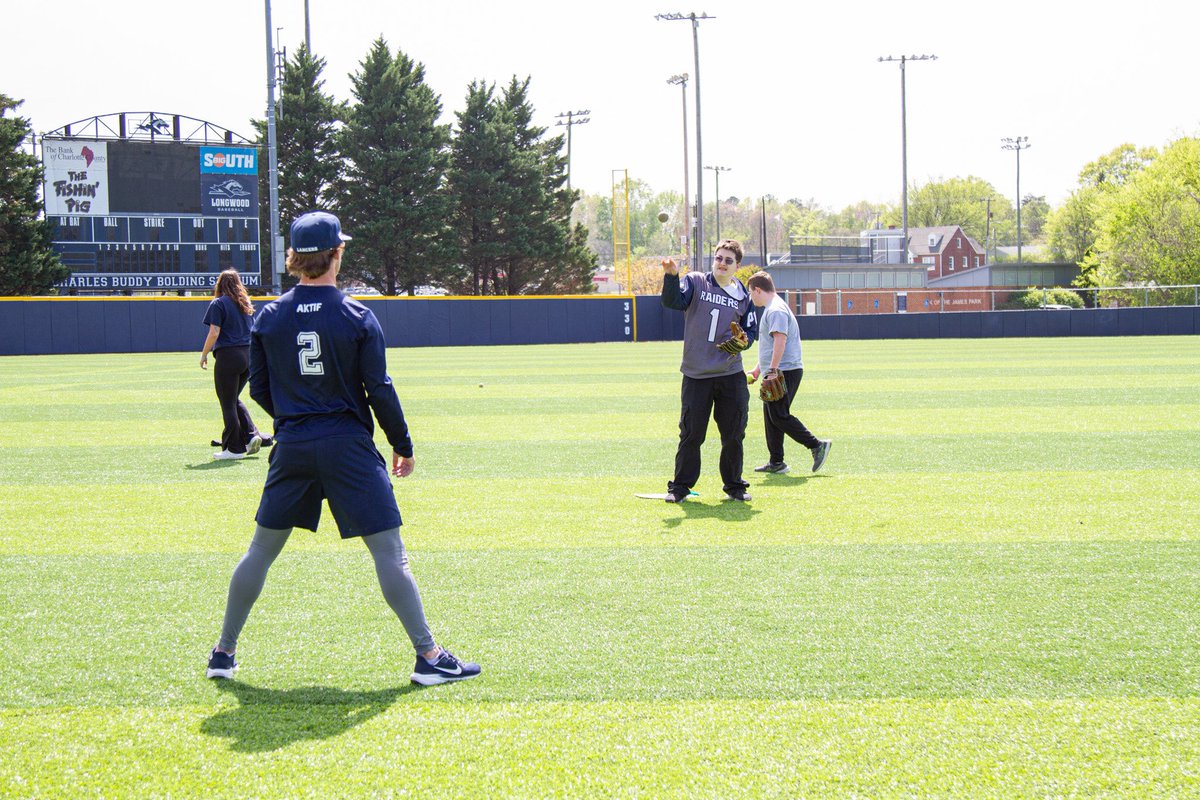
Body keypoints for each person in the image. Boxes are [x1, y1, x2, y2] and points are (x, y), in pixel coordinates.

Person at [206, 210, 480, 687]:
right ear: (337, 253)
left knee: (260, 551)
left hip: (293, 444)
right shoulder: (357, 315)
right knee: (390, 555)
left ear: (294, 257)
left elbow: (259, 388)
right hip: (348, 446)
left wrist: (293, 418)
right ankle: (429, 657)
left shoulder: (269, 316)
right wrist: (401, 443)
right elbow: (379, 389)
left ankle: (223, 653)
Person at [660, 238, 759, 502]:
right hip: (697, 374)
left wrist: (745, 342)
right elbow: (673, 301)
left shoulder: (743, 296)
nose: (722, 263)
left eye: (728, 260)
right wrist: (671, 276)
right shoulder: (696, 281)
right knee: (691, 434)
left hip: (730, 374)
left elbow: (751, 331)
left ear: (737, 266)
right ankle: (680, 487)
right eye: (719, 258)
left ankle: (735, 486)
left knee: (734, 433)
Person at [745, 271, 831, 474]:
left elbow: (780, 341)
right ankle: (776, 462)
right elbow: (770, 346)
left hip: (786, 370)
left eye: (751, 292)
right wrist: (758, 370)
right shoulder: (773, 308)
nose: (751, 297)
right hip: (779, 369)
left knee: (779, 415)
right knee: (771, 415)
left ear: (758, 290)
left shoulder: (776, 310)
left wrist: (773, 370)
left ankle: (816, 445)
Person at [200, 269, 269, 460]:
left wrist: (204, 354)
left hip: (229, 355)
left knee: (227, 402)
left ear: (220, 284)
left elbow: (214, 332)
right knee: (233, 398)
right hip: (249, 355)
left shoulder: (218, 303)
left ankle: (234, 448)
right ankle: (251, 435)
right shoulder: (245, 303)